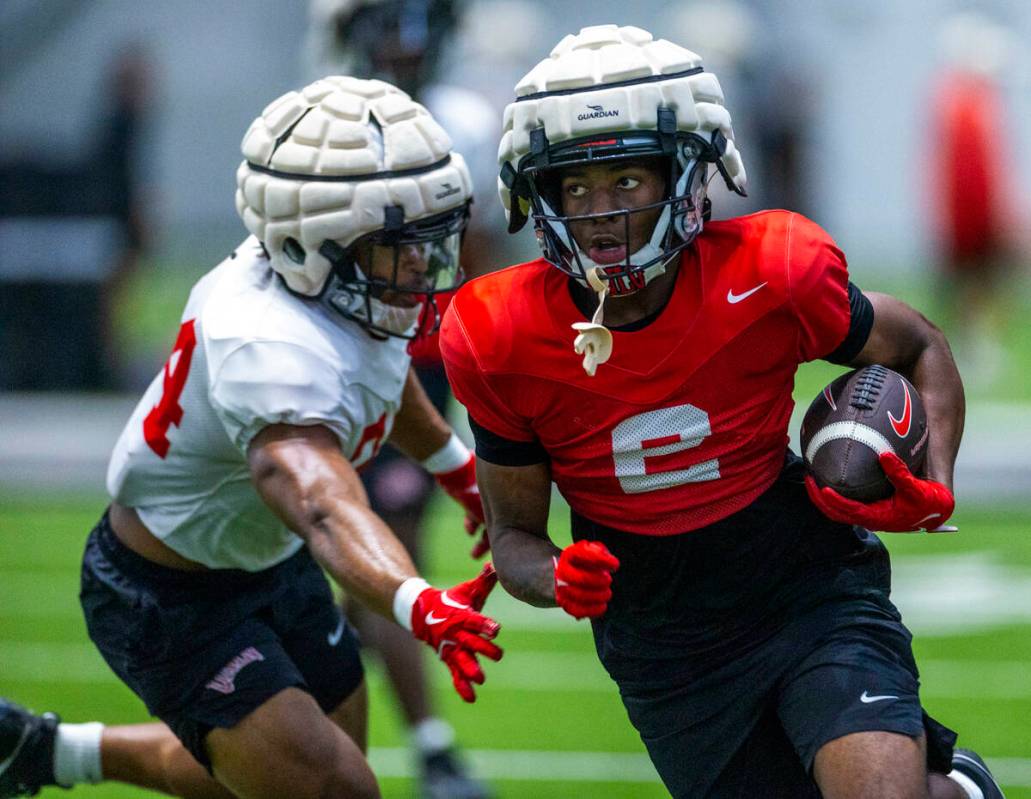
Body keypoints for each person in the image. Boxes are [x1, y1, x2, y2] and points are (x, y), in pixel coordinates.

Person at [440, 25, 1004, 799]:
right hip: (662, 636)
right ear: (537, 195)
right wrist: (554, 576)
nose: (601, 213)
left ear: (686, 174)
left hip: (804, 583)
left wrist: (934, 483)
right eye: (574, 187)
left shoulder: (774, 273)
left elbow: (918, 344)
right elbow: (513, 536)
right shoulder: (496, 332)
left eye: (627, 181)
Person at [0, 76, 502, 799]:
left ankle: (52, 751)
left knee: (311, 762)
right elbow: (324, 499)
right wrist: (416, 598)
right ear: (321, 240)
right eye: (401, 243)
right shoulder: (265, 341)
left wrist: (456, 469)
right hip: (170, 592)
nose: (424, 264)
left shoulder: (330, 280)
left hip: (267, 559)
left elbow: (380, 377)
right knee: (338, 787)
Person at [306, 3, 503, 796]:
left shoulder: (462, 118)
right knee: (350, 545)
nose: (404, 43)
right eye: (387, 24)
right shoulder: (321, 117)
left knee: (384, 545)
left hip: (418, 361)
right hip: (330, 357)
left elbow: (477, 258)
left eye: (416, 23)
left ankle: (409, 734)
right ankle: (425, 741)